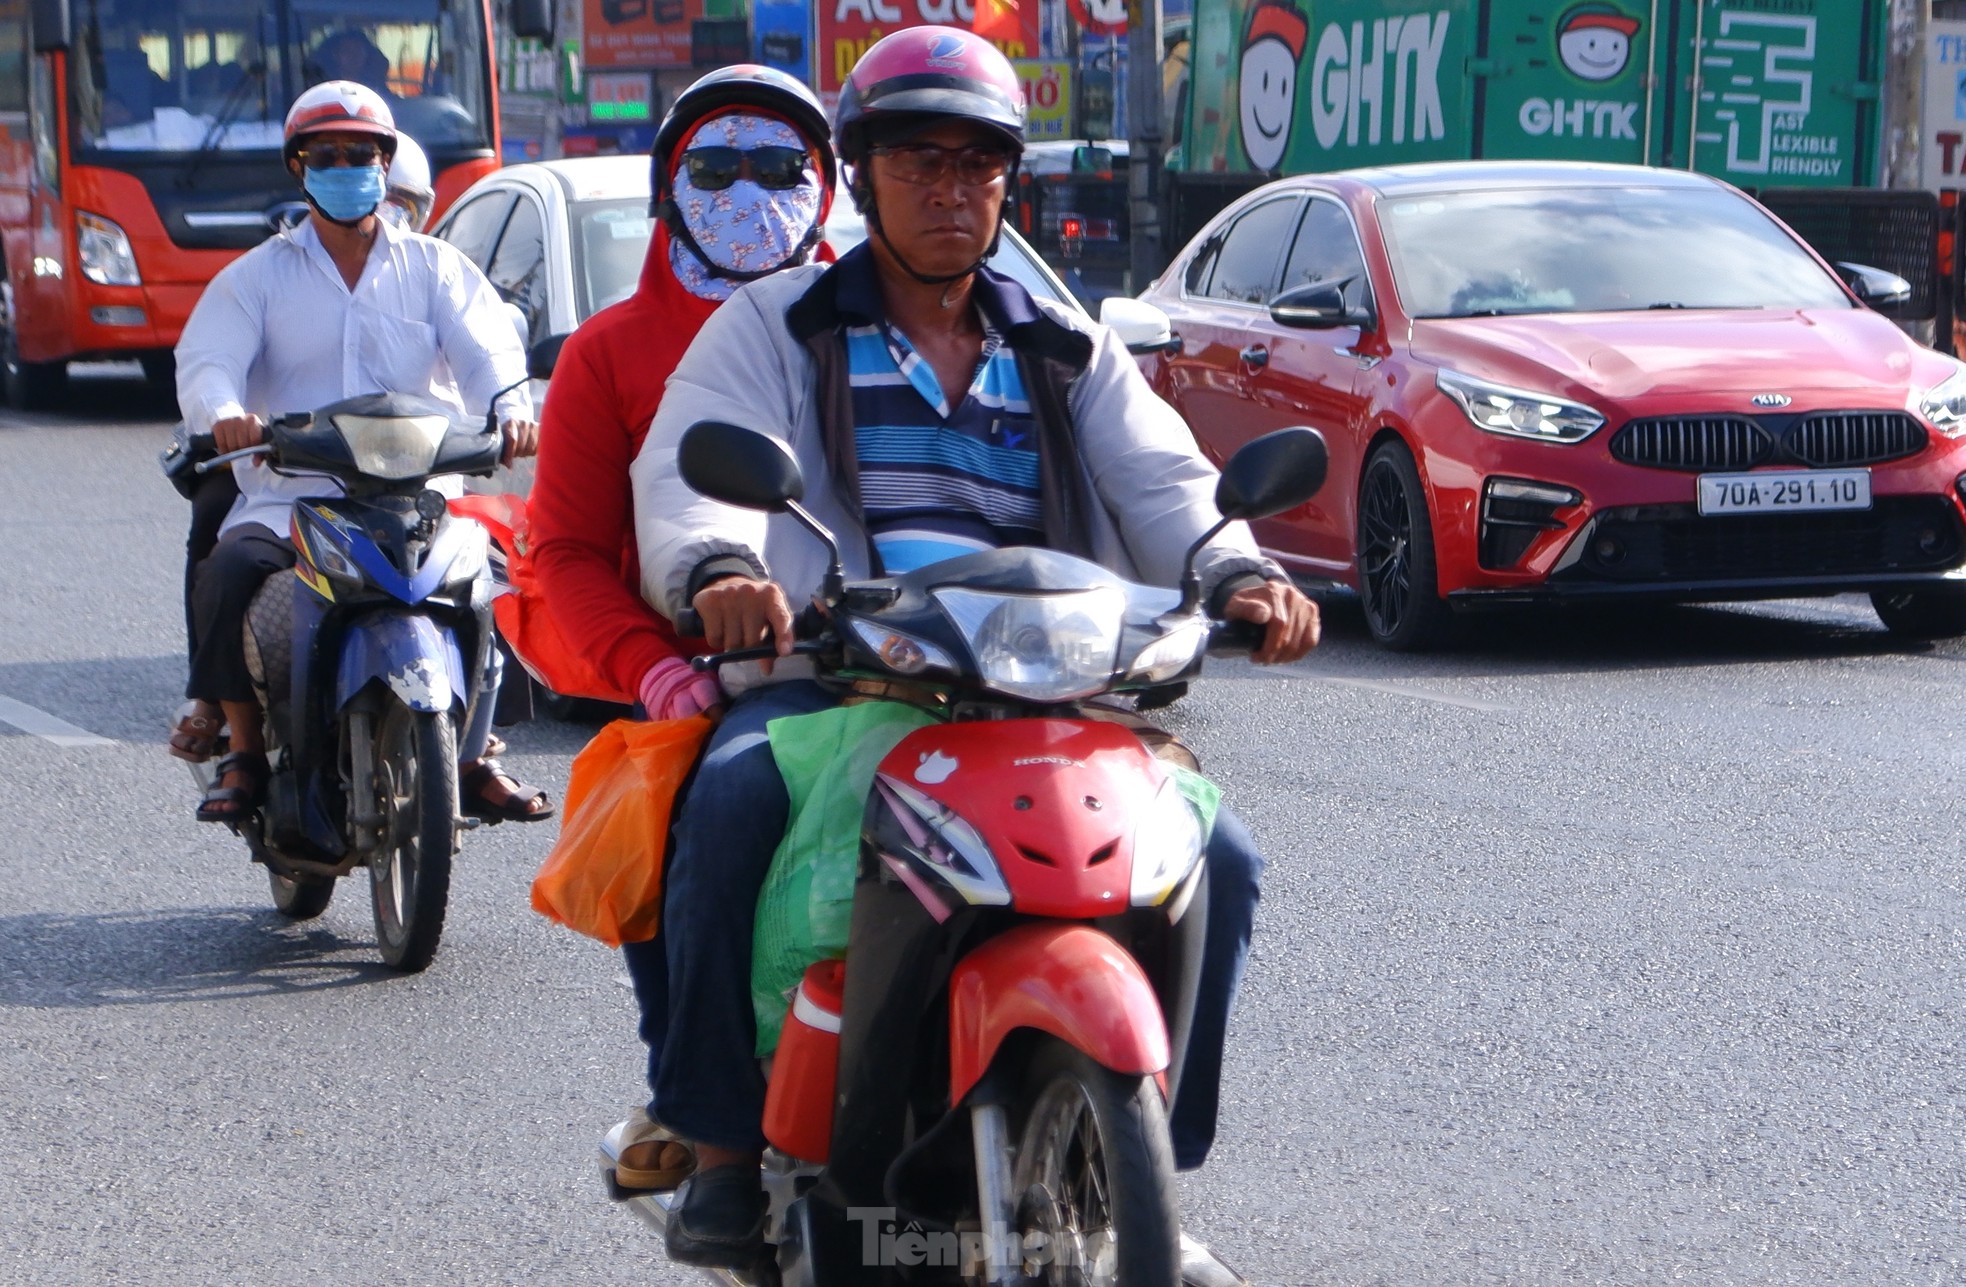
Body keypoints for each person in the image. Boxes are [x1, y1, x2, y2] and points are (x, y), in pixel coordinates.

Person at [628, 27, 1319, 1283]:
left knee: (1222, 854)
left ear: (1012, 182)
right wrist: (722, 568)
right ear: (860, 176)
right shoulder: (772, 324)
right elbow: (701, 468)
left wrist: (1239, 568)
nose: (950, 191)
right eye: (917, 163)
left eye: (977, 165)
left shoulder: (1060, 342)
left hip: (1054, 690)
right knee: (723, 804)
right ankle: (722, 1147)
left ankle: (1148, 1159)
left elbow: (1164, 478)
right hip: (846, 679)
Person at [524, 64, 836, 1195]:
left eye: (779, 169)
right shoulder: (609, 355)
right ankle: (705, 1120)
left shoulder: (897, 319)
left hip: (912, 655)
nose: (750, 193)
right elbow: (560, 550)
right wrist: (655, 668)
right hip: (709, 672)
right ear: (669, 191)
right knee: (691, 827)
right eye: (717, 169)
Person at [176, 80, 550, 825]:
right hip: (294, 497)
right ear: (299, 167)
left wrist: (512, 410)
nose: (347, 166)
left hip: (418, 496)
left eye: (362, 153)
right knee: (227, 569)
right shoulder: (257, 278)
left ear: (387, 164)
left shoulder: (437, 269)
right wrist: (226, 415)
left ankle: (472, 751)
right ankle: (245, 748)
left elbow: (489, 351)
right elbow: (207, 360)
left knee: (486, 577)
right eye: (328, 154)